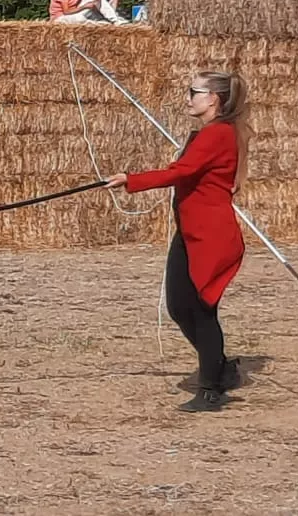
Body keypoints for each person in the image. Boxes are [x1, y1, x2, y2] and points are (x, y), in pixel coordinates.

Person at [108, 70, 250, 413]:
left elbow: (180, 172)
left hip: (210, 237)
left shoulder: (218, 134)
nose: (187, 98)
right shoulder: (208, 134)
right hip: (190, 232)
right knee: (179, 307)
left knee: (201, 310)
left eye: (193, 92)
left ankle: (211, 388)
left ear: (213, 99)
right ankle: (218, 366)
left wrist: (131, 180)